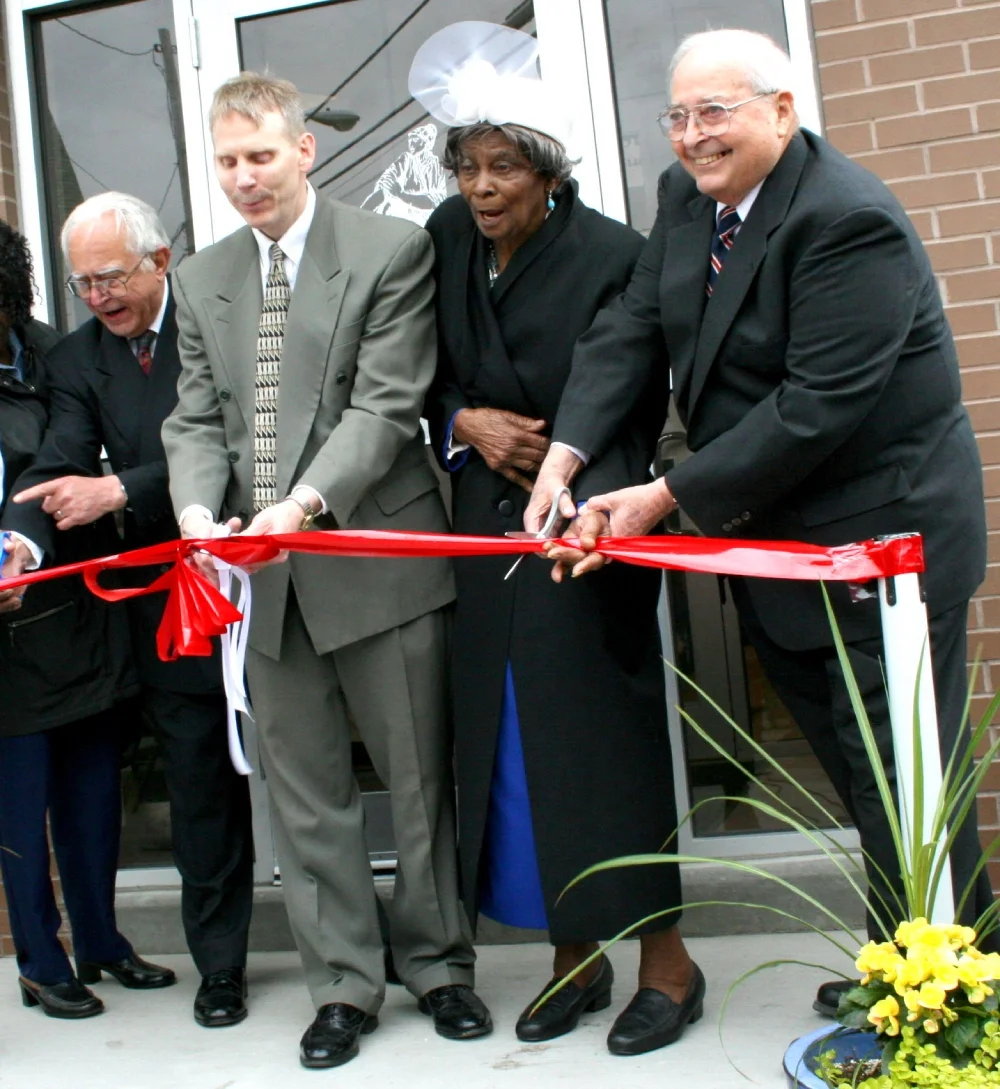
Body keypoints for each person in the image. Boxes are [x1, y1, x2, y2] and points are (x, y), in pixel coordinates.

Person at [529, 28, 995, 1017]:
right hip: (779, 543)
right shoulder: (684, 199)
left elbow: (814, 406)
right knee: (859, 775)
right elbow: (634, 325)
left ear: (781, 109)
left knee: (905, 784)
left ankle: (948, 1002)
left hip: (881, 548)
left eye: (717, 112)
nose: (694, 137)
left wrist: (661, 497)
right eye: (680, 115)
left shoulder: (845, 219)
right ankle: (911, 966)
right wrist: (566, 451)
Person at [161, 72, 489, 1070]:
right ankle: (343, 984)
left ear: (303, 151)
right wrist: (193, 513)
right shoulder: (199, 277)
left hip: (369, 558)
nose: (245, 178)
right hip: (261, 585)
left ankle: (439, 967)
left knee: (418, 779)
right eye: (226, 161)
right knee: (301, 799)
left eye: (261, 156)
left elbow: (386, 408)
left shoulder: (389, 250)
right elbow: (197, 416)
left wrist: (299, 507)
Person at [411, 21, 700, 1058]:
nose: (481, 188)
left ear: (548, 173)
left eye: (502, 167)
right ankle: (571, 958)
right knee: (513, 759)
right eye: (466, 166)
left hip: (587, 532)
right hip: (484, 539)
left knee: (600, 751)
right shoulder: (444, 239)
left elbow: (625, 382)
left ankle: (666, 963)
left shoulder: (614, 253)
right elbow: (423, 370)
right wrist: (464, 424)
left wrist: (576, 476)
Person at [2, 193, 254, 1029]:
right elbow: (59, 459)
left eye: (110, 277)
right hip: (161, 613)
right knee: (196, 786)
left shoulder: (224, 317)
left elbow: (241, 442)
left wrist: (121, 489)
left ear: (160, 262)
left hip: (265, 578)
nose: (99, 297)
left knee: (304, 775)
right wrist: (21, 539)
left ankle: (367, 948)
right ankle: (220, 967)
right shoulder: (74, 361)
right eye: (83, 285)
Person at [0, 218, 175, 1019]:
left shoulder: (54, 353)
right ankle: (41, 954)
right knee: (20, 795)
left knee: (93, 785)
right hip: (9, 610)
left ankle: (103, 938)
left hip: (82, 602)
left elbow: (72, 449)